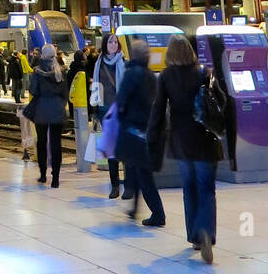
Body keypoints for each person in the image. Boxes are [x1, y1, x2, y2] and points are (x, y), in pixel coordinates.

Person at [148, 35, 222, 262]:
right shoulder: (203, 72)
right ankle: (206, 231)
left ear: (170, 53)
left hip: (181, 140)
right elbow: (221, 100)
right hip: (205, 138)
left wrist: (152, 135)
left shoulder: (167, 76)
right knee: (207, 189)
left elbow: (159, 108)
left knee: (189, 188)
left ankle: (195, 236)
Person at [113, 39, 165, 227]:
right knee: (136, 168)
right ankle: (135, 208)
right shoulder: (151, 75)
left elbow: (121, 100)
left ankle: (158, 213)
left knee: (143, 173)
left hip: (132, 128)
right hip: (147, 129)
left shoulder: (131, 74)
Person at [91, 33, 127, 198]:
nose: (114, 44)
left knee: (125, 149)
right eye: (111, 41)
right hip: (105, 111)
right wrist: (95, 108)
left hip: (121, 111)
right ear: (105, 44)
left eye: (115, 41)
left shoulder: (123, 62)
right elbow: (95, 86)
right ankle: (114, 185)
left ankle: (129, 184)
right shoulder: (98, 63)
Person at [28, 44, 68, 188]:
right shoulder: (61, 71)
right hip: (57, 109)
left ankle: (43, 174)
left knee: (42, 143)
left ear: (43, 56)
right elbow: (65, 92)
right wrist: (60, 104)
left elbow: (33, 90)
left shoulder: (37, 71)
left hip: (42, 110)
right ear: (55, 54)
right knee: (56, 144)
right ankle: (56, 178)